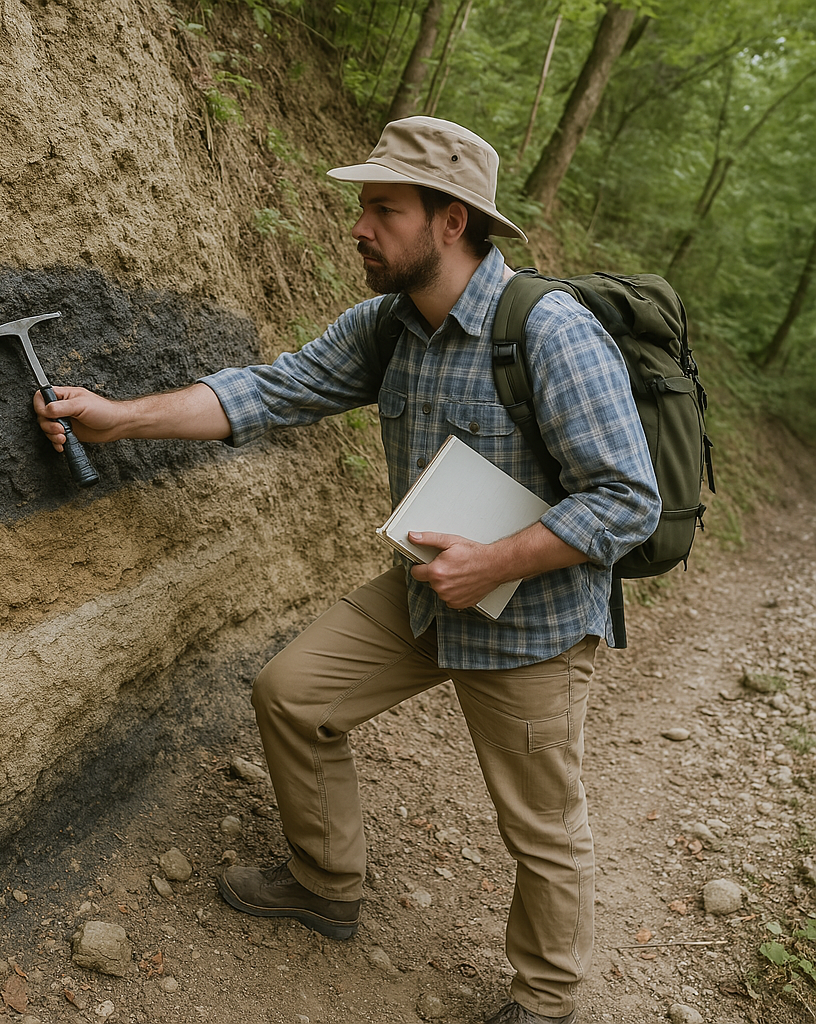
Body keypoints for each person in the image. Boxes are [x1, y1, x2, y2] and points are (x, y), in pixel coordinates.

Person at [34, 116, 661, 1024]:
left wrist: (493, 560)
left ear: (451, 221)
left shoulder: (551, 332)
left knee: (542, 829)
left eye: (383, 209)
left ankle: (549, 1000)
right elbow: (272, 389)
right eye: (362, 207)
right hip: (427, 596)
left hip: (536, 626)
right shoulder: (389, 326)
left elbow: (628, 500)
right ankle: (326, 883)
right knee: (293, 695)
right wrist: (119, 417)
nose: (358, 228)